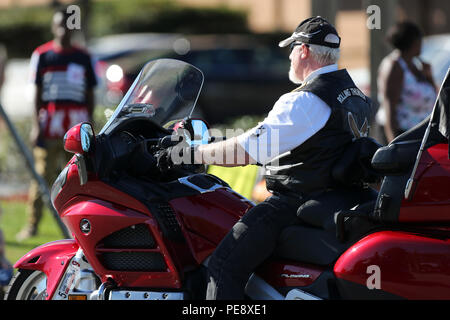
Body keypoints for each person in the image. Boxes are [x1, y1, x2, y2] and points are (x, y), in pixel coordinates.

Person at [159, 16, 373, 300]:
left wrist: (191, 153)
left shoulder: (305, 100)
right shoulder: (353, 94)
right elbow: (269, 138)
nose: (289, 55)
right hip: (339, 198)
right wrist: (212, 142)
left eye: (291, 48)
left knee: (223, 266)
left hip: (295, 200)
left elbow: (248, 150)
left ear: (304, 50)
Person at [17, 8, 97, 241]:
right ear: (53, 27)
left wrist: (89, 124)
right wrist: (36, 125)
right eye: (60, 25)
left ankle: (81, 224)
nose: (64, 29)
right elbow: (37, 93)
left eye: (68, 25)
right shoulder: (42, 55)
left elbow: (90, 93)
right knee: (42, 174)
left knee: (79, 175)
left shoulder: (83, 57)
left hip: (76, 124)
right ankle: (32, 224)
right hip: (50, 122)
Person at [376, 21, 437, 144]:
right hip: (399, 134)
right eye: (420, 39)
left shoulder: (414, 65)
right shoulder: (395, 67)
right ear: (412, 41)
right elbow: (389, 110)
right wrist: (393, 147)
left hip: (414, 133)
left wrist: (429, 77)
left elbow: (436, 96)